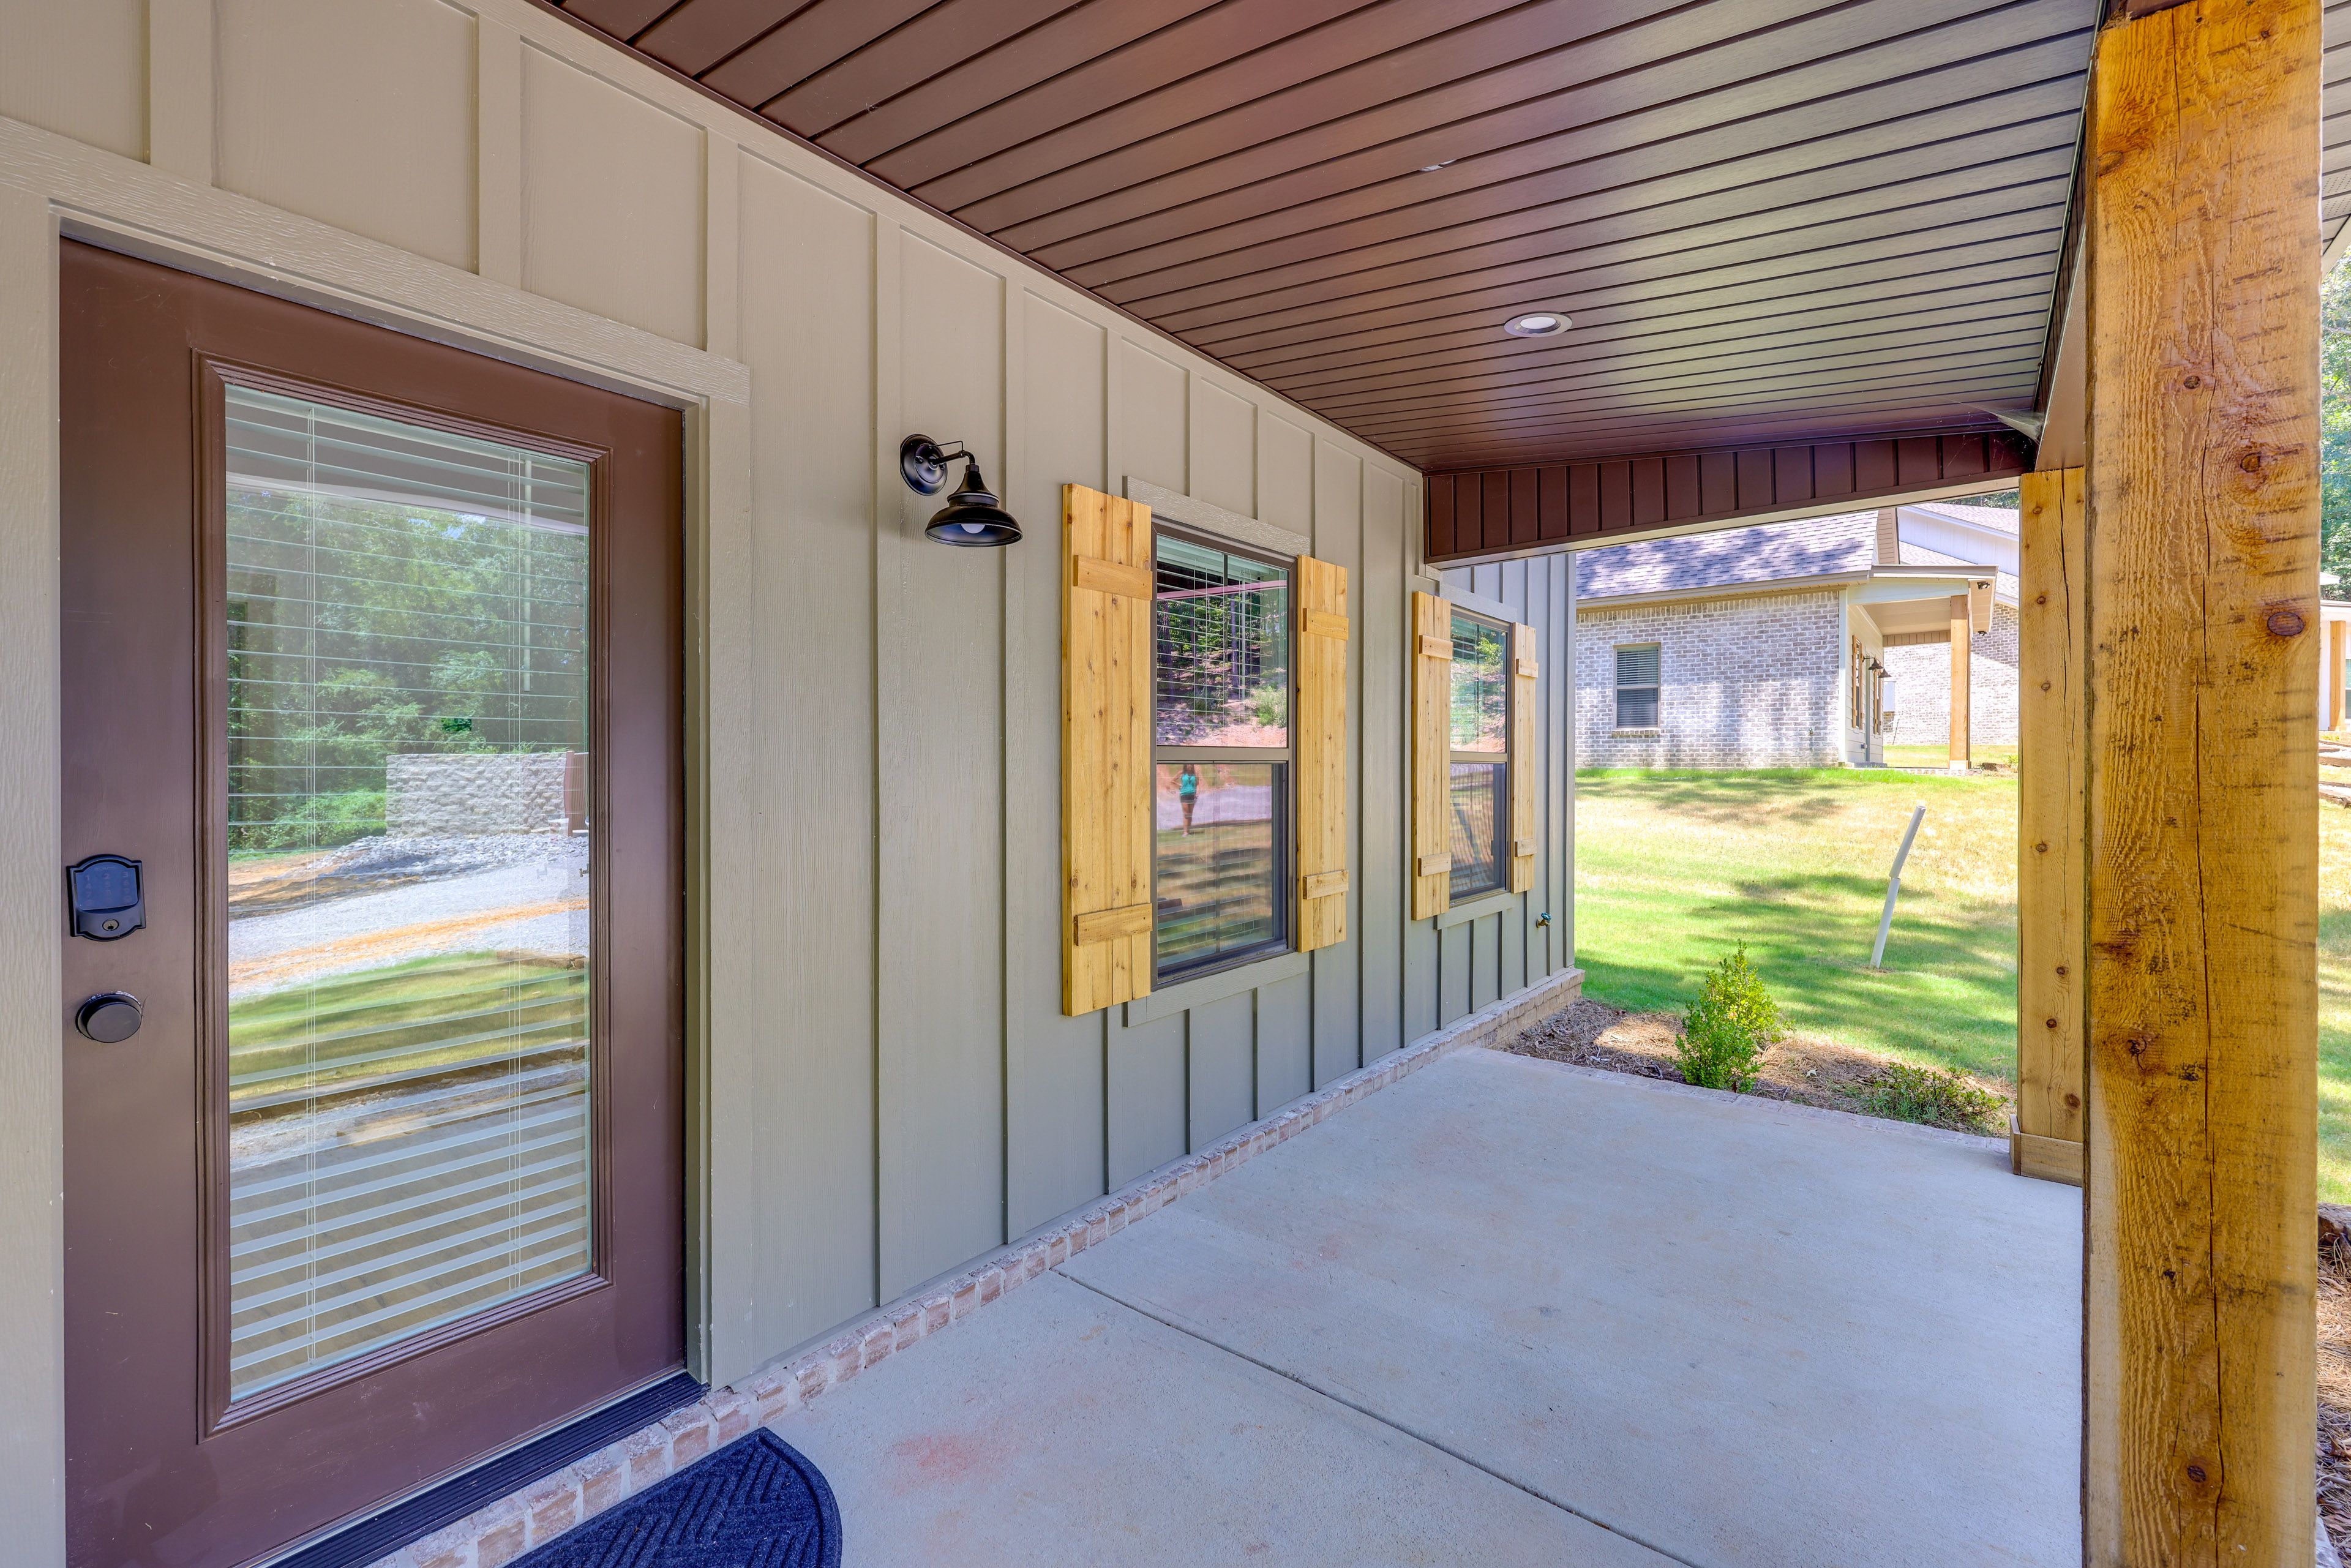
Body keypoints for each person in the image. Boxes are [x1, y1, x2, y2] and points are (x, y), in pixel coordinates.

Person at [1178, 763, 1199, 835]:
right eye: (1188, 765)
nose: (1190, 766)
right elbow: (1172, 781)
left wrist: (1197, 792)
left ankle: (1188, 831)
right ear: (1186, 765)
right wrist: (1180, 786)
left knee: (1190, 814)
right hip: (1184, 795)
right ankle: (1185, 831)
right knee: (1186, 814)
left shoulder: (1195, 773)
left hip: (1192, 795)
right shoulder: (1182, 773)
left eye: (1191, 765)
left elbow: (1198, 784)